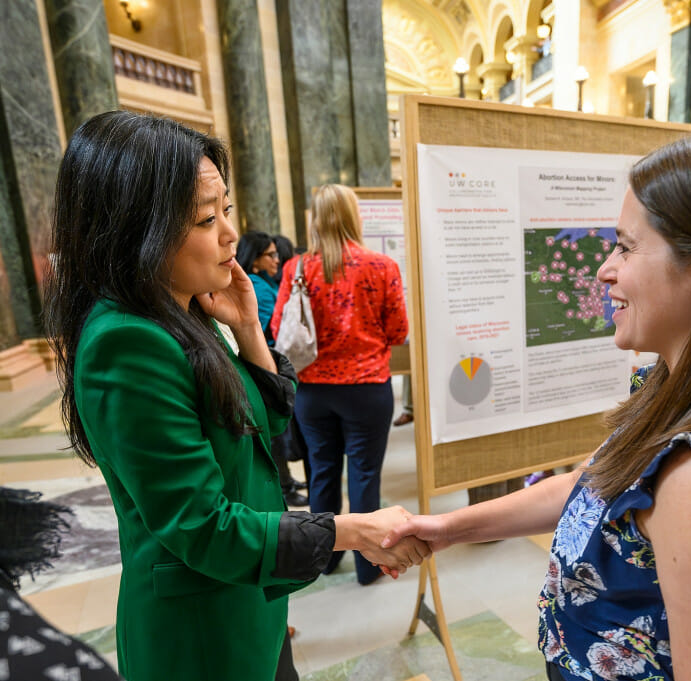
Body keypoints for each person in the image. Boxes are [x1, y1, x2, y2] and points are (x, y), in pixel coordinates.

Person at [383, 128, 691, 681]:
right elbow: (596, 484)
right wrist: (449, 529)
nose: (605, 269)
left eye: (625, 247)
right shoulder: (675, 389)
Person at [43, 111, 428, 681]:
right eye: (205, 217)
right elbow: (203, 525)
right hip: (202, 632)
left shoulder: (183, 309)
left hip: (248, 599)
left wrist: (249, 330)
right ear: (135, 230)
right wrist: (349, 530)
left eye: (226, 208)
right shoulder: (126, 341)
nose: (230, 233)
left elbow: (261, 425)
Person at [272, 184, 409, 585]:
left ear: (315, 218)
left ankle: (326, 560)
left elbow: (280, 328)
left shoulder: (297, 268)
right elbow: (398, 331)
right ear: (354, 216)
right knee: (365, 474)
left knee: (322, 472)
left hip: (312, 389)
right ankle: (369, 567)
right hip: (367, 388)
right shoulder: (381, 267)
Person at [235, 231, 308, 508]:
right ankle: (285, 486)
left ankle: (286, 482)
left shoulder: (262, 283)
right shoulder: (257, 287)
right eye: (271, 254)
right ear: (255, 260)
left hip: (268, 364)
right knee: (275, 435)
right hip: (264, 367)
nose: (277, 259)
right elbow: (269, 329)